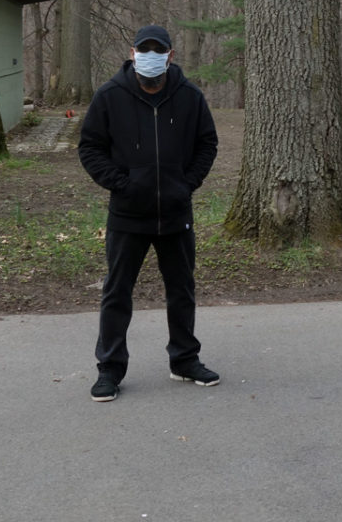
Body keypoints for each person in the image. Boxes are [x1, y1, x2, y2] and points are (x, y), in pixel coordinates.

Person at [77, 23, 221, 402]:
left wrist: (185, 184)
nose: (150, 56)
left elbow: (207, 143)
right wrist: (122, 184)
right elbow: (90, 147)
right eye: (144, 49)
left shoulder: (189, 96)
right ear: (132, 53)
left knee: (181, 290)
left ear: (170, 56)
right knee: (117, 293)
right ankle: (109, 369)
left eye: (158, 50)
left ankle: (185, 360)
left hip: (175, 213)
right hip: (128, 216)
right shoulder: (110, 96)